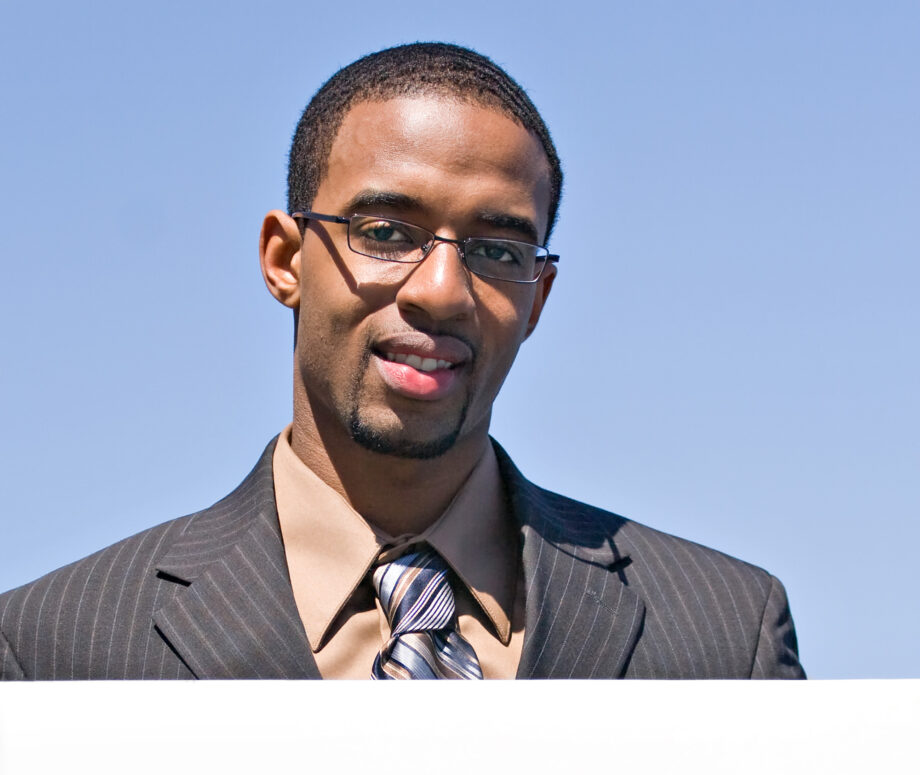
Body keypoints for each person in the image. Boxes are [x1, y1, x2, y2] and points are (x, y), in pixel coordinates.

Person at [0, 42, 803, 681]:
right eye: (386, 232)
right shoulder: (56, 651)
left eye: (496, 249)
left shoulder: (723, 636)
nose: (444, 291)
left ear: (539, 299)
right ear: (284, 260)